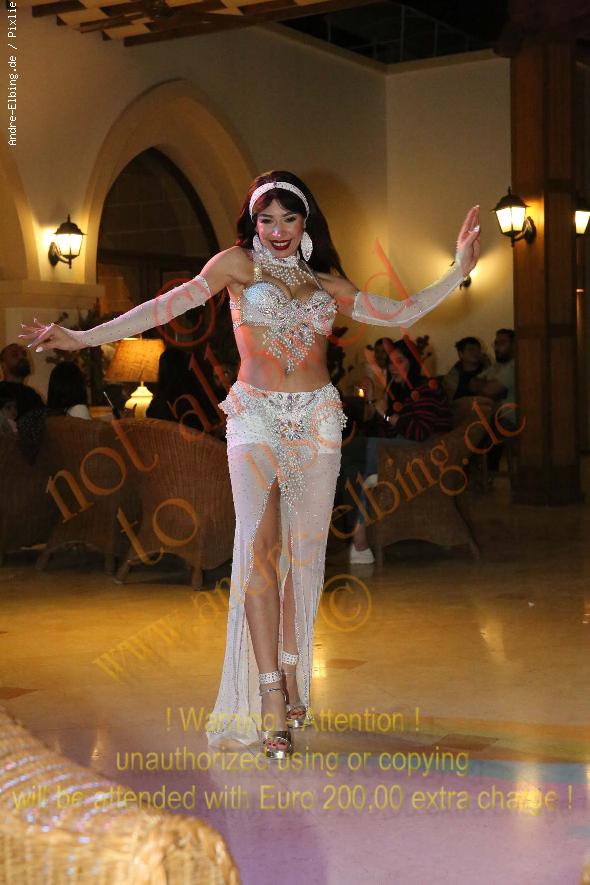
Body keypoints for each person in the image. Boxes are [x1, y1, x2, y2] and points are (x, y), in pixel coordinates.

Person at [20, 171, 480, 759]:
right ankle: (269, 693)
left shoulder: (325, 281)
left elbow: (398, 312)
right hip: (255, 417)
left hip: (317, 420)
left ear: (306, 223)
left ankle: (291, 669)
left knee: (303, 557)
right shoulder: (235, 265)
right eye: (267, 219)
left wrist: (458, 269)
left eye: (289, 218)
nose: (278, 230)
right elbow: (164, 307)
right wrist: (82, 339)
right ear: (253, 222)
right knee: (260, 551)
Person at [343, 338, 454, 563]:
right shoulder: (398, 390)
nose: (394, 368)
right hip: (396, 452)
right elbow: (384, 431)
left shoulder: (427, 389)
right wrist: (373, 402)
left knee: (352, 450)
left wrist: (386, 414)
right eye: (390, 363)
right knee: (348, 463)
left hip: (422, 456)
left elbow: (419, 433)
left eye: (400, 361)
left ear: (413, 362)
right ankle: (356, 536)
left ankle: (356, 538)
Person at [469, 328, 516, 475]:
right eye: (496, 343)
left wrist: (487, 388)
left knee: (475, 431)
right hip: (489, 414)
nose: (497, 347)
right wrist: (490, 389)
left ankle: (487, 472)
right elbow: (472, 384)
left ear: (514, 345)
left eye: (502, 343)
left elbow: (489, 390)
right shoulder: (496, 366)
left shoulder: (514, 365)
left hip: (507, 419)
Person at [0, 342, 44, 419]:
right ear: (3, 365)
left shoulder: (32, 394)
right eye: (15, 355)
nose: (22, 357)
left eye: (24, 354)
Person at [442, 336, 490, 401]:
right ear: (461, 354)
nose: (476, 352)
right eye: (471, 349)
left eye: (478, 349)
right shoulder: (451, 378)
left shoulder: (489, 371)